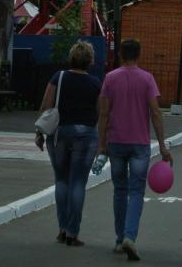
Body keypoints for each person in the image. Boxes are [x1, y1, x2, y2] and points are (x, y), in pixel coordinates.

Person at [97, 38, 173, 262]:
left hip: (116, 142)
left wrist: (102, 144)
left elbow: (103, 113)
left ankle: (120, 239)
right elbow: (156, 113)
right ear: (138, 55)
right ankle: (130, 236)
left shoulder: (110, 78)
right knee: (136, 191)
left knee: (119, 190)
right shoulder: (147, 79)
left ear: (120, 54)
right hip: (140, 144)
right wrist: (162, 145)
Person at [35, 41, 101, 246]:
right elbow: (100, 113)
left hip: (59, 134)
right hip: (86, 136)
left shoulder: (59, 77)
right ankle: (73, 232)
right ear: (89, 61)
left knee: (61, 180)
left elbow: (46, 105)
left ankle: (62, 228)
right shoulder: (95, 83)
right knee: (78, 183)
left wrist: (39, 132)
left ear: (71, 57)